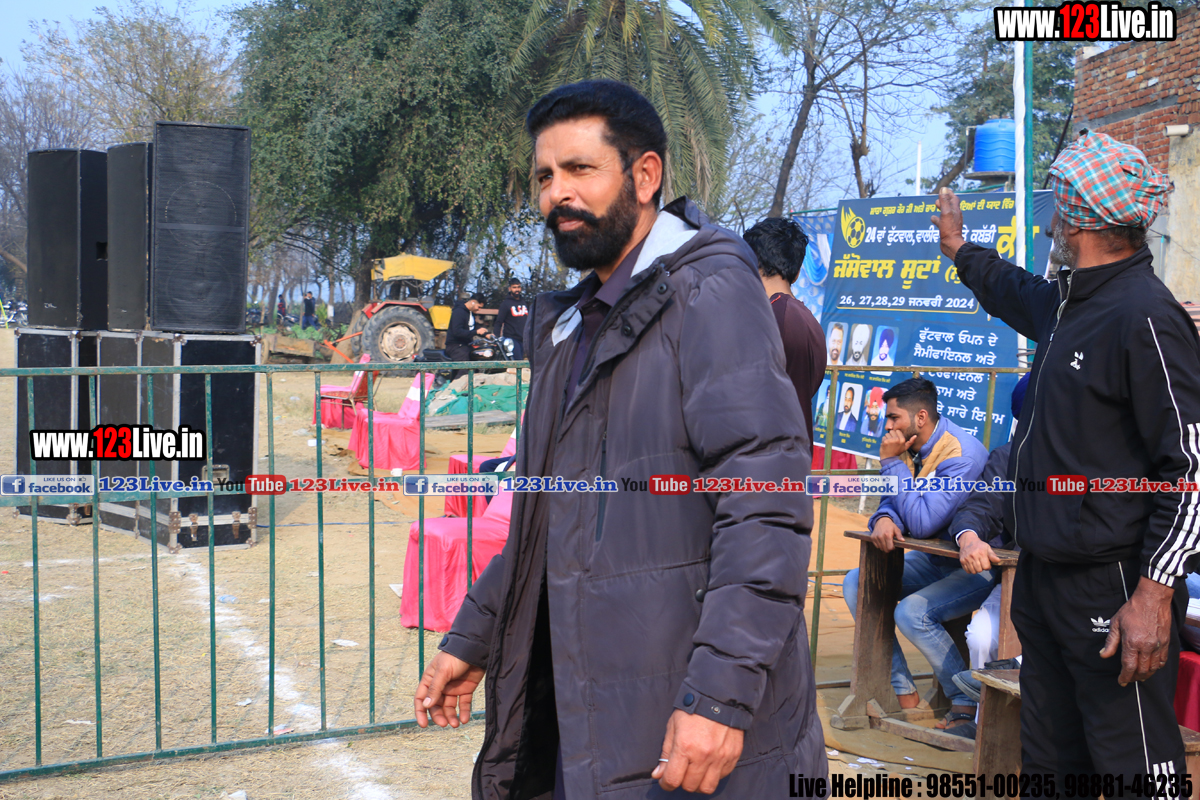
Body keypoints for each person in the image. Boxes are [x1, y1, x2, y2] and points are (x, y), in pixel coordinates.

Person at [413, 79, 826, 798]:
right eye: (545, 176)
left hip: (686, 713)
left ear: (645, 174)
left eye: (580, 169)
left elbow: (765, 506)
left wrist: (719, 698)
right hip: (589, 709)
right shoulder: (571, 326)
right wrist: (474, 636)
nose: (557, 194)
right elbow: (545, 518)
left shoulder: (709, 294)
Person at [932, 131, 1196, 781]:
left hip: (1113, 586)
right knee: (1050, 763)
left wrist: (1153, 595)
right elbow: (1010, 289)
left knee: (1136, 769)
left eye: (1059, 207)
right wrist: (959, 249)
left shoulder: (1145, 316)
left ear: (1079, 219)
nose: (1051, 222)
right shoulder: (1070, 303)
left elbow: (1190, 470)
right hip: (1043, 577)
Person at [841, 377, 990, 735]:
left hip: (977, 567)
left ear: (920, 417)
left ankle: (964, 700)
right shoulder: (908, 445)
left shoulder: (962, 453)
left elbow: (922, 523)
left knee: (912, 613)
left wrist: (890, 463)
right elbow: (890, 503)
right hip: (934, 560)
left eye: (894, 418)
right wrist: (884, 518)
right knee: (856, 582)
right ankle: (903, 691)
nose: (887, 427)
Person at [941, 374, 1030, 737]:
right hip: (1020, 578)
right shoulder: (1010, 456)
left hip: (1080, 583)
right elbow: (981, 506)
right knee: (981, 636)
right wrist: (969, 537)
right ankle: (984, 727)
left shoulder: (1095, 457)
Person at [743, 216, 826, 445]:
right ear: (797, 273)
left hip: (761, 455)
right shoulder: (810, 322)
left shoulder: (768, 318)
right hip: (793, 452)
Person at [445, 292, 488, 382]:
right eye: (478, 307)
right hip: (456, 346)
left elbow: (473, 326)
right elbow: (457, 332)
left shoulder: (470, 313)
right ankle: (457, 387)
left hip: (465, 345)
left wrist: (486, 334)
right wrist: (476, 332)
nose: (479, 309)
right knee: (464, 372)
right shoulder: (459, 312)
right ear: (473, 302)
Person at [493, 278, 530, 360]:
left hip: (524, 339)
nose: (517, 290)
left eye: (518, 287)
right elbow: (499, 322)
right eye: (514, 287)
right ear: (510, 289)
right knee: (517, 362)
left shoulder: (524, 302)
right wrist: (497, 338)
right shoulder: (505, 304)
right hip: (512, 339)